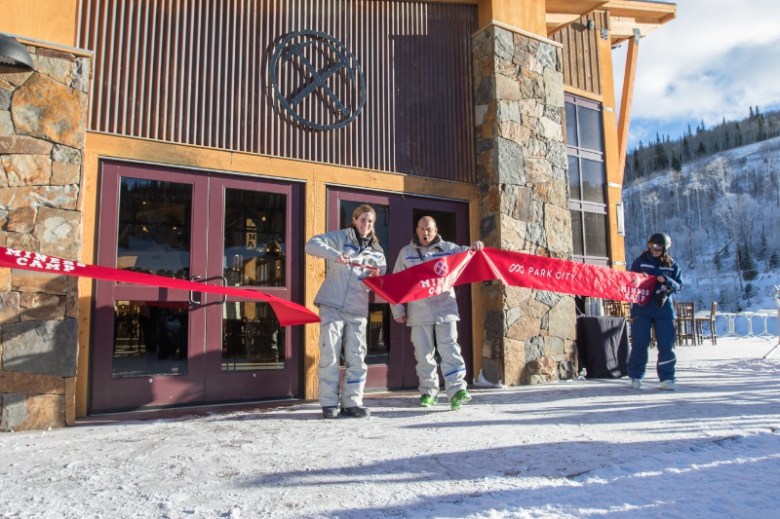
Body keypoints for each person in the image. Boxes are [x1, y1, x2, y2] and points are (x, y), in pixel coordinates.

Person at [391, 216, 483, 410]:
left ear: (436, 230)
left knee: (449, 348)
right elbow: (395, 283)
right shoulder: (406, 253)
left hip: (445, 308)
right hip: (419, 311)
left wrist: (477, 247)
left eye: (430, 229)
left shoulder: (449, 248)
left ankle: (457, 390)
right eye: (422, 229)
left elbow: (470, 253)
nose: (426, 233)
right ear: (416, 230)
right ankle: (428, 392)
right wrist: (397, 309)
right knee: (424, 354)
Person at [305, 204, 386, 419]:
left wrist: (373, 279)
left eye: (370, 222)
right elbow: (311, 244)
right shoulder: (340, 237)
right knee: (330, 354)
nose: (366, 225)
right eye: (362, 220)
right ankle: (329, 403)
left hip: (357, 309)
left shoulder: (377, 252)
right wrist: (335, 255)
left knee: (357, 356)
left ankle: (353, 402)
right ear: (354, 219)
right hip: (332, 305)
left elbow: (378, 283)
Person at [627, 232, 683, 391]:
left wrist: (666, 280)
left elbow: (679, 286)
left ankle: (667, 377)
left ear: (665, 248)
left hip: (663, 308)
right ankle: (636, 375)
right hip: (642, 307)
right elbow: (630, 279)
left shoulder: (671, 264)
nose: (654, 250)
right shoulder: (641, 262)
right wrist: (640, 278)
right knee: (640, 342)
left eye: (658, 247)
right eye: (651, 246)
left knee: (666, 344)